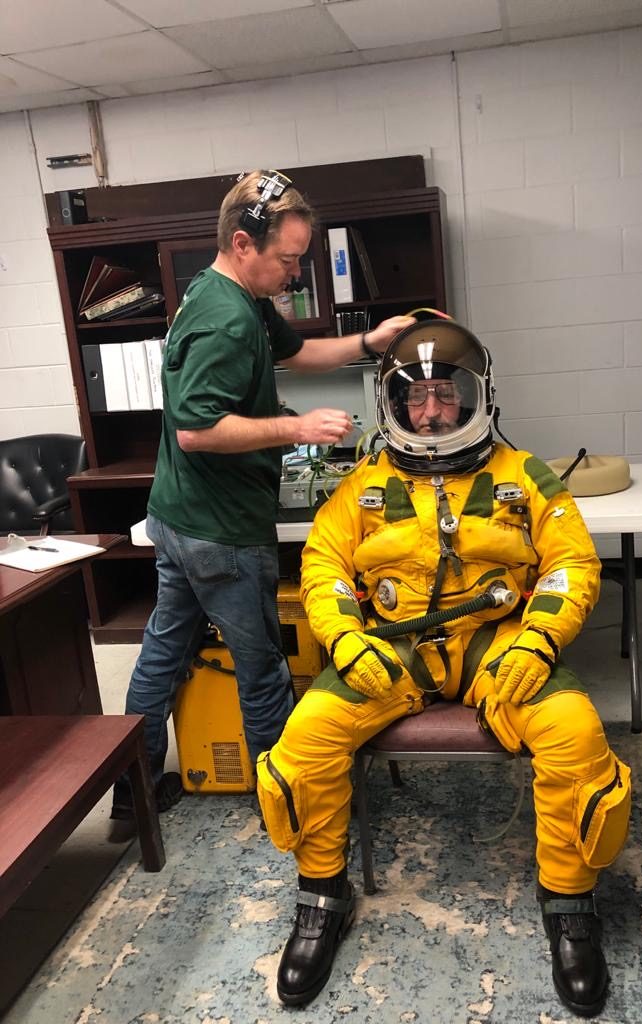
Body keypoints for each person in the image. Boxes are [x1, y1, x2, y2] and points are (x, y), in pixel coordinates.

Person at [256, 318, 632, 1018]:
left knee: (577, 737)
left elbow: (572, 562)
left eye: (444, 395)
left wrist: (539, 641)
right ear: (392, 406)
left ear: (478, 396)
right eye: (414, 398)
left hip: (503, 647)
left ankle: (570, 905)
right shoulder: (364, 484)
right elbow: (324, 565)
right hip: (392, 650)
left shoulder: (524, 476)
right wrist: (343, 640)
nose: (430, 412)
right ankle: (319, 899)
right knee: (303, 743)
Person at [110, 168, 414, 826]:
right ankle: (286, 804)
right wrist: (297, 427)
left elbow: (296, 353)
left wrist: (371, 341)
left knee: (164, 647)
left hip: (176, 516)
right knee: (263, 668)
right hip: (220, 530)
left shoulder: (226, 293)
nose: (297, 274)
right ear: (245, 244)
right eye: (289, 259)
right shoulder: (225, 321)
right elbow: (196, 431)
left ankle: (132, 795)